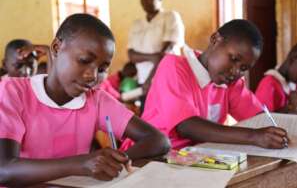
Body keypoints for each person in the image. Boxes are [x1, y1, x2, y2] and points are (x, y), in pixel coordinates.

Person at [0, 14, 170, 187]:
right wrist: (80, 164)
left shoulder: (96, 100)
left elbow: (158, 140)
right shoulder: (12, 92)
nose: (92, 76)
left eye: (102, 69)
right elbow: (3, 170)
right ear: (57, 48)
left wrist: (114, 160)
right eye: (84, 60)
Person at [121, 19, 289, 151]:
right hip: (148, 158)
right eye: (234, 59)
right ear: (215, 39)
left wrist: (274, 133)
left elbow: (258, 118)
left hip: (196, 159)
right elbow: (186, 126)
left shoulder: (230, 83)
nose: (235, 71)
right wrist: (254, 136)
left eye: (243, 68)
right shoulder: (174, 67)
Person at [128, 0, 185, 110]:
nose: (146, 1)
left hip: (167, 81)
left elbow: (165, 55)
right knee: (148, 119)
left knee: (169, 119)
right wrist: (152, 57)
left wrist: (150, 80)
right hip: (143, 83)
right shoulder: (136, 24)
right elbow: (131, 55)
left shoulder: (170, 17)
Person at [255, 43, 297, 114]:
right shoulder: (269, 85)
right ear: (294, 58)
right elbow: (262, 119)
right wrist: (292, 107)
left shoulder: (295, 85)